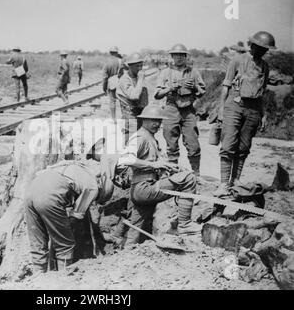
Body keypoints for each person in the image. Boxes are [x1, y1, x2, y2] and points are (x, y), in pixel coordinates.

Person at [116, 105, 202, 245]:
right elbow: (125, 159)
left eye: (160, 121)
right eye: (154, 121)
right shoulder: (140, 137)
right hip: (144, 188)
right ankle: (185, 224)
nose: (158, 124)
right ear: (144, 120)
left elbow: (153, 161)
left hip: (142, 190)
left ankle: (127, 255)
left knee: (136, 231)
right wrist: (154, 165)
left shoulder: (150, 137)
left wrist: (169, 166)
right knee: (189, 179)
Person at [24, 156, 117, 274]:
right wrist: (63, 232)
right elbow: (76, 218)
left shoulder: (79, 170)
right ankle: (63, 279)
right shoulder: (93, 187)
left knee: (38, 242)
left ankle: (37, 279)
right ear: (101, 190)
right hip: (49, 196)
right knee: (65, 245)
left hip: (31, 190)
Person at [214, 31, 275, 197]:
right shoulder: (237, 60)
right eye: (260, 48)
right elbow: (226, 86)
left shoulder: (264, 66)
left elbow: (262, 92)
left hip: (254, 109)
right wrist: (220, 109)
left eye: (265, 49)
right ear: (252, 45)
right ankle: (223, 184)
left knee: (243, 148)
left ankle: (236, 182)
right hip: (234, 104)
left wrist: (263, 115)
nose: (262, 51)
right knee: (228, 145)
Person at [153, 44, 206, 180]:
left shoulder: (193, 72)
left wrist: (194, 87)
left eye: (182, 55)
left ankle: (196, 174)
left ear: (186, 57)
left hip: (188, 110)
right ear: (172, 57)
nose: (179, 58)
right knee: (171, 143)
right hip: (171, 109)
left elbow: (202, 92)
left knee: (193, 143)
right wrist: (170, 88)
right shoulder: (165, 72)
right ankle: (173, 173)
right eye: (176, 55)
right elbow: (157, 94)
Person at [116, 52, 148, 142]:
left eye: (141, 65)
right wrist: (141, 79)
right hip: (129, 114)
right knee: (130, 141)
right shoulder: (124, 79)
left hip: (139, 113)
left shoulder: (137, 78)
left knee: (138, 140)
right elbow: (134, 96)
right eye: (138, 66)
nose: (140, 68)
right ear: (130, 66)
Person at [102, 46, 124, 122]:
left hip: (111, 83)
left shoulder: (107, 62)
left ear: (110, 53)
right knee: (122, 101)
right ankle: (123, 117)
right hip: (120, 82)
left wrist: (104, 87)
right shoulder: (121, 61)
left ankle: (114, 119)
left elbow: (105, 77)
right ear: (117, 52)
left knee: (112, 101)